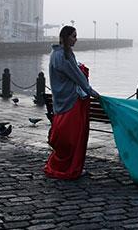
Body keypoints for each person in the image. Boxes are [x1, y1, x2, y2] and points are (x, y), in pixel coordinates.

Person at [44, 26, 100, 180]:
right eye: (74, 36)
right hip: (71, 102)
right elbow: (77, 76)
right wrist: (92, 93)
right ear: (66, 37)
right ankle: (70, 168)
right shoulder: (63, 56)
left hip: (61, 101)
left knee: (67, 138)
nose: (76, 38)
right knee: (74, 138)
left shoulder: (57, 54)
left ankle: (63, 165)